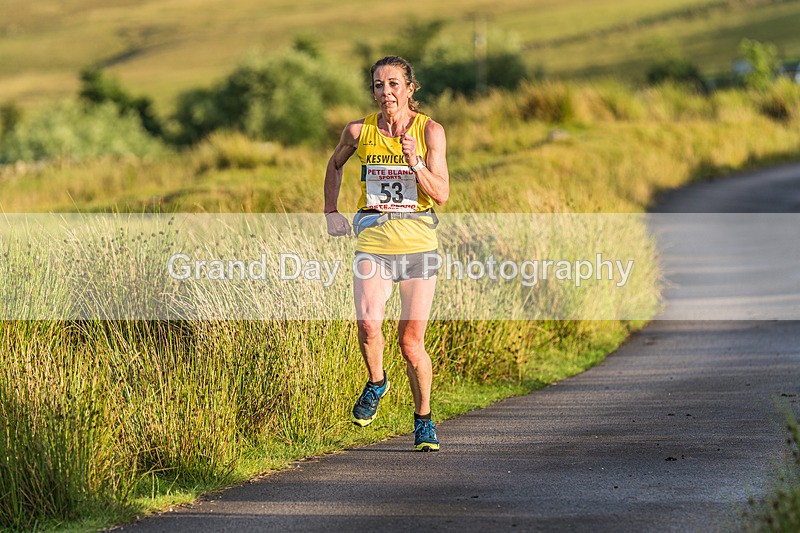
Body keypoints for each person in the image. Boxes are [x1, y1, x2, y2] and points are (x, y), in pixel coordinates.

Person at [323, 55, 450, 452]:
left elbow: (442, 194)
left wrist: (414, 161)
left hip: (417, 248)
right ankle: (377, 382)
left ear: (410, 89)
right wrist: (330, 211)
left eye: (394, 84)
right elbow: (335, 163)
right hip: (374, 246)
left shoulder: (430, 131)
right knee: (367, 325)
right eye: (379, 85)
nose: (386, 92)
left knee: (410, 343)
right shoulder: (359, 131)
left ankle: (423, 420)